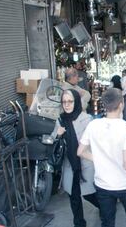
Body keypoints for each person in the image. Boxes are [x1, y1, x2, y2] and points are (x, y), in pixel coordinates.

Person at [77, 88, 126, 227]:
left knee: (107, 222)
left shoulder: (93, 125)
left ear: (104, 104)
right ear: (121, 104)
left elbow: (80, 152)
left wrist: (99, 159)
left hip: (103, 185)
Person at [52, 89, 99, 227]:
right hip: (69, 164)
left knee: (89, 194)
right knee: (73, 196)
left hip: (84, 163)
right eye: (64, 102)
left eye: (70, 101)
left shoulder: (86, 119)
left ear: (76, 102)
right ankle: (79, 223)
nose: (66, 105)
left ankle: (104, 207)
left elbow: (93, 142)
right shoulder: (60, 119)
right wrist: (58, 134)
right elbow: (53, 139)